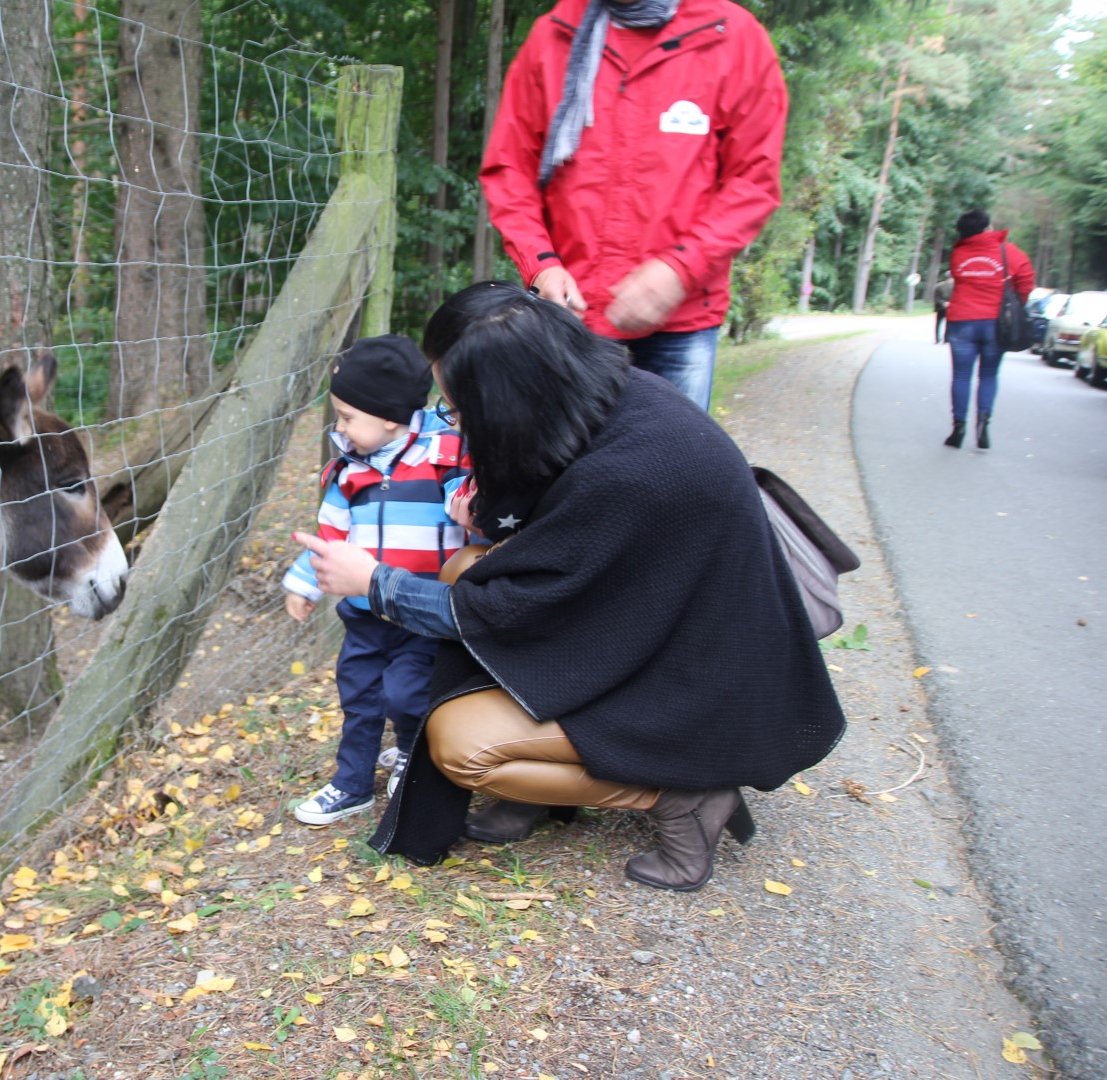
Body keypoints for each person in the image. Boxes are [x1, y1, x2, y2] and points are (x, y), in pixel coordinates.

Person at [293, 282, 846, 890]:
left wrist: (374, 582)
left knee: (462, 744)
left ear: (508, 399)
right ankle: (545, 790)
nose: (461, 429)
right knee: (466, 564)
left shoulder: (626, 473)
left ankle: (683, 794)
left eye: (463, 412)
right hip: (661, 638)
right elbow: (545, 567)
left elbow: (503, 610)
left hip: (698, 688)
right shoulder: (611, 399)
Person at [479, 0, 788, 412]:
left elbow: (753, 180)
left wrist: (681, 269)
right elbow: (509, 168)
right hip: (572, 320)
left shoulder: (734, 37)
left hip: (683, 322)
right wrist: (541, 265)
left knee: (674, 470)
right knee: (566, 474)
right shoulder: (554, 34)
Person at [282, 335, 469, 826]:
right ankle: (351, 784)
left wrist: (471, 505)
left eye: (347, 417)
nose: (339, 428)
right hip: (365, 614)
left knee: (407, 694)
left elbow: (469, 508)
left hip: (422, 611)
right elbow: (329, 533)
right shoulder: (349, 468)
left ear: (389, 417)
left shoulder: (444, 454)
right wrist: (304, 582)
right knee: (360, 696)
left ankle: (411, 747)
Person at [943, 209, 1034, 450]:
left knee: (961, 375)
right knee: (989, 375)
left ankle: (958, 427)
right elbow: (1026, 281)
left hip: (962, 321)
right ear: (986, 229)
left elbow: (958, 278)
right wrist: (1016, 304)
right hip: (996, 324)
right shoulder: (1009, 253)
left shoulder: (958, 254)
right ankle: (983, 426)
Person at [931, 273, 954, 344]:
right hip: (951, 307)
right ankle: (946, 339)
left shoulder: (938, 286)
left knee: (938, 323)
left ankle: (937, 339)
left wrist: (943, 303)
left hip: (940, 307)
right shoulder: (956, 286)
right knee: (949, 323)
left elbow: (936, 298)